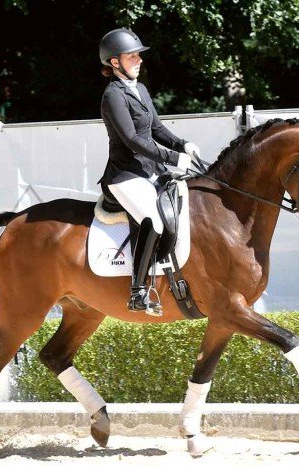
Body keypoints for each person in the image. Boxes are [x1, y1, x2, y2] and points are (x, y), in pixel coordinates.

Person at [98, 27, 201, 315]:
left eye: (138, 56)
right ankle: (138, 290)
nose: (139, 60)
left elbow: (156, 129)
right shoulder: (113, 96)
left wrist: (183, 145)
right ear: (115, 62)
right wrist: (172, 157)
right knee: (154, 220)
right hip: (125, 175)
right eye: (132, 57)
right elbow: (133, 140)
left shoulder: (139, 89)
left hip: (149, 170)